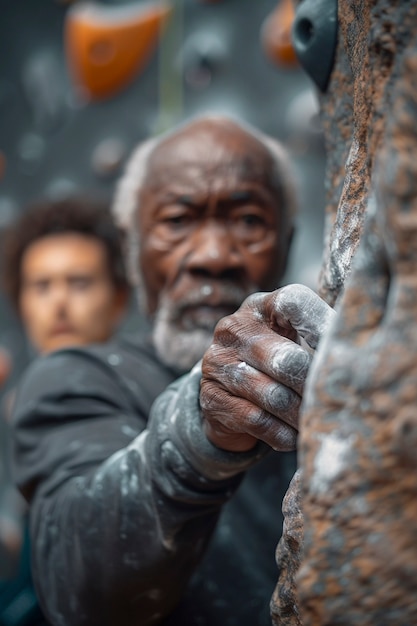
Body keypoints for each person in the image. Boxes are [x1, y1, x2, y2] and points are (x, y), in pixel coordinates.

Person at [9, 114, 300, 626]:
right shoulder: (77, 379)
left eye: (250, 221)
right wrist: (199, 432)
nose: (213, 256)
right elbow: (79, 594)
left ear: (288, 243)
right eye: (177, 221)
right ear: (132, 247)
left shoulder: (323, 374)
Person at [0, 195, 130, 625]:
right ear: (20, 303)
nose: (58, 303)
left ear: (118, 299)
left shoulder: (146, 401)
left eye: (79, 283)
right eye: (41, 286)